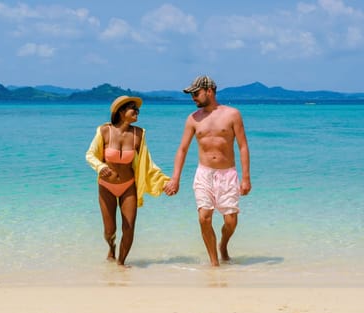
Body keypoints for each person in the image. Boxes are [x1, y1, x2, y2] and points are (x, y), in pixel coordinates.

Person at [164, 76, 251, 266]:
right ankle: (214, 264)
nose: (193, 98)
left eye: (196, 93)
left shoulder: (232, 114)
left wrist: (245, 178)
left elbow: (243, 146)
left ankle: (223, 245)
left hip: (227, 174)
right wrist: (175, 179)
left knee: (231, 222)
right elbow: (182, 149)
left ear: (209, 91)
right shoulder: (193, 119)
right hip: (204, 174)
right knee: (204, 218)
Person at [86, 95, 170, 266]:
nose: (137, 112)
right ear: (121, 111)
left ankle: (121, 263)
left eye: (138, 109)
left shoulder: (138, 134)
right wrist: (100, 167)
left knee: (129, 227)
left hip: (128, 186)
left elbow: (147, 162)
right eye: (134, 109)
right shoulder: (104, 131)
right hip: (106, 186)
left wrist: (164, 181)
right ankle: (111, 248)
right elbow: (90, 154)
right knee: (110, 231)